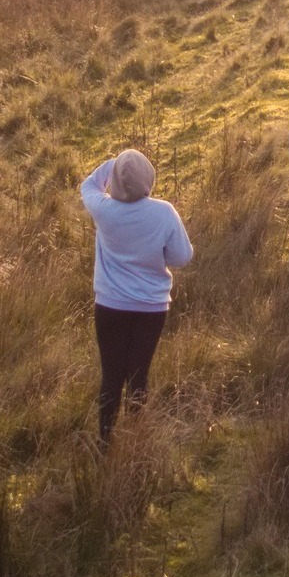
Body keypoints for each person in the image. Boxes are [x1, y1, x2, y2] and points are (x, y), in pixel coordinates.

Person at [80, 148, 193, 440]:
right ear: (149, 178)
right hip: (151, 308)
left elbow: (87, 185)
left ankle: (105, 442)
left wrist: (115, 165)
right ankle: (135, 439)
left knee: (111, 376)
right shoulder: (164, 212)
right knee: (138, 375)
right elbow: (181, 257)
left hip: (110, 306)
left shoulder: (104, 210)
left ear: (115, 181)